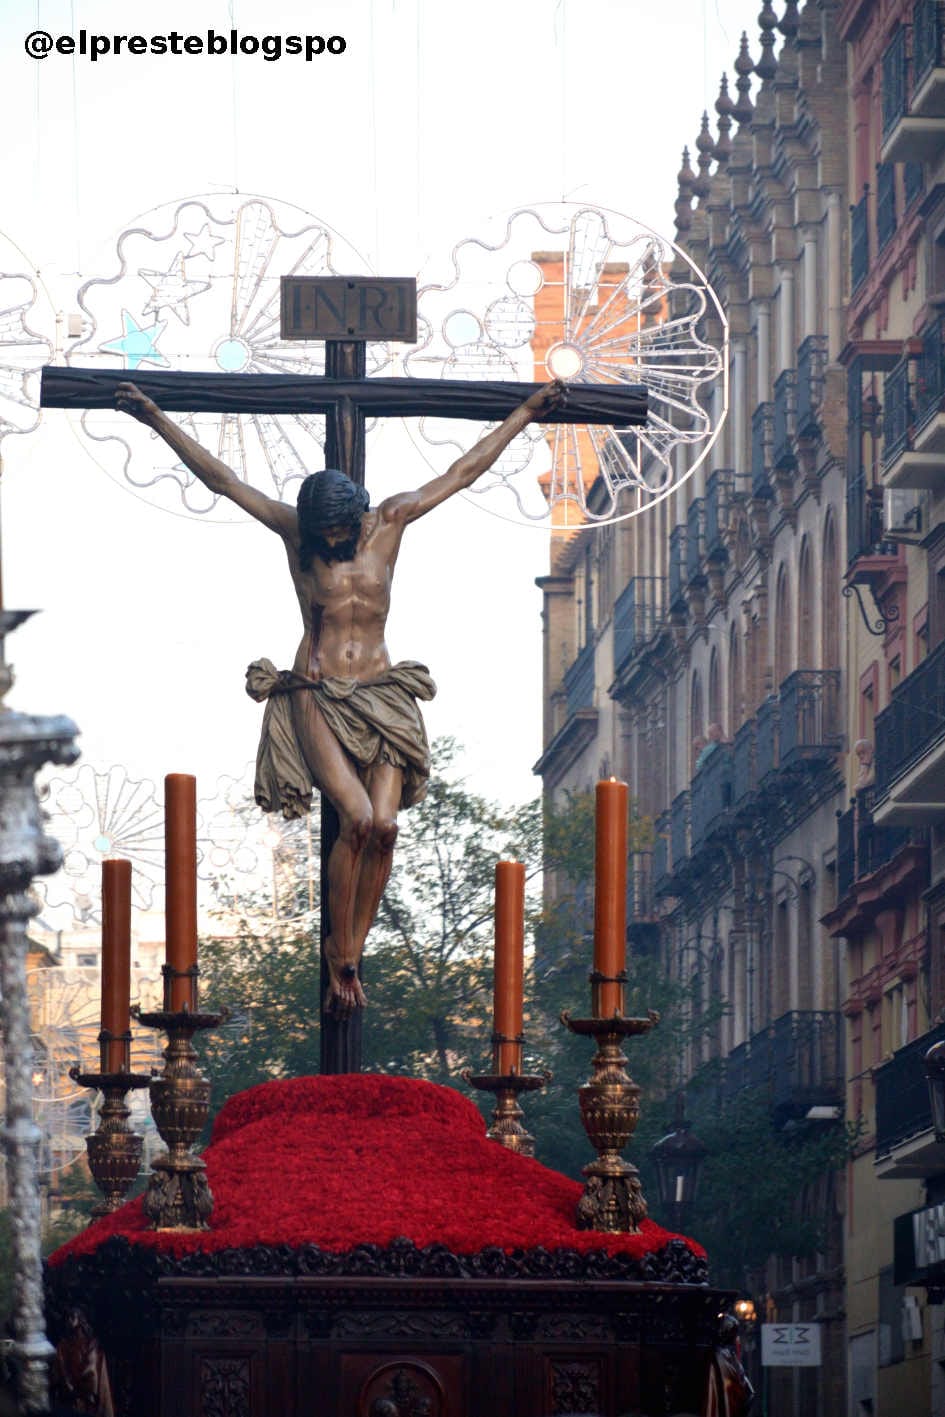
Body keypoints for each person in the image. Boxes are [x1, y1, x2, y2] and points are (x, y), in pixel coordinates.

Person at [115, 378, 564, 1016]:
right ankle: (341, 958)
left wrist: (524, 415)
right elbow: (222, 480)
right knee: (355, 818)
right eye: (320, 535)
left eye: (336, 532)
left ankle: (356, 947)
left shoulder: (392, 521)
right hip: (319, 693)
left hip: (383, 693)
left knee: (384, 828)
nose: (328, 542)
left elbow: (463, 472)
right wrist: (156, 418)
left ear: (357, 516)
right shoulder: (294, 531)